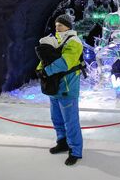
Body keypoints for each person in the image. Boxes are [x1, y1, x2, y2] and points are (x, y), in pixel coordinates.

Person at [36, 15, 84, 166]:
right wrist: (39, 70)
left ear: (68, 26)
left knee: (71, 121)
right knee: (56, 119)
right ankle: (62, 142)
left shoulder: (74, 42)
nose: (58, 27)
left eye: (61, 25)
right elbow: (45, 60)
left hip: (67, 88)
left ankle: (75, 151)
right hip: (54, 88)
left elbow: (65, 62)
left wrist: (46, 71)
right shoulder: (54, 40)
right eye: (56, 25)